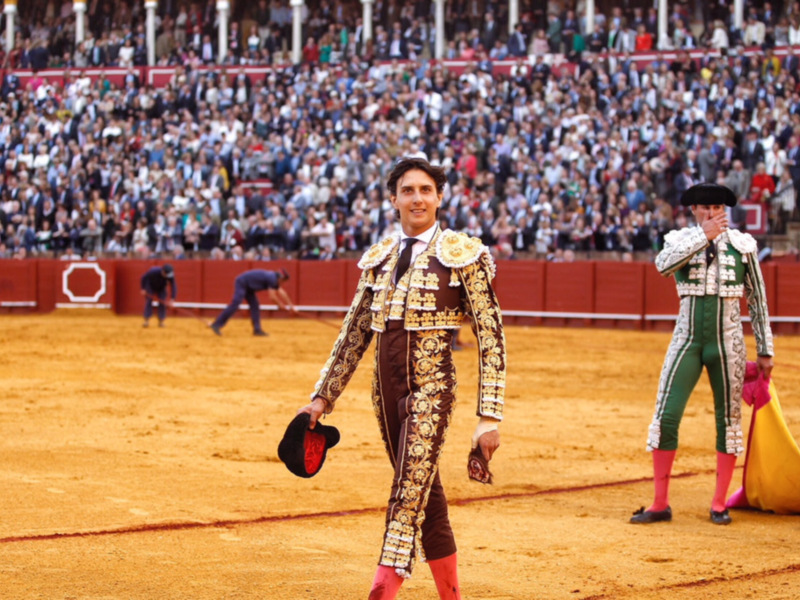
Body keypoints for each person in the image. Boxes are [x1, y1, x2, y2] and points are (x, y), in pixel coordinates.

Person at [297, 157, 507, 599]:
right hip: (385, 394)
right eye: (408, 190)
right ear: (393, 199)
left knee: (406, 491)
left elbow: (491, 337)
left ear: (439, 198)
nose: (417, 198)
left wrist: (489, 417)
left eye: (426, 190)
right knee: (425, 496)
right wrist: (321, 399)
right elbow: (353, 333)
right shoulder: (380, 259)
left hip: (432, 392)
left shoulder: (462, 255)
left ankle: (382, 591)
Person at [631, 183, 774, 526]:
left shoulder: (743, 247)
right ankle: (659, 503)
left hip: (728, 343)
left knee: (729, 422)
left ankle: (719, 503)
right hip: (687, 341)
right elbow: (663, 266)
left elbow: (757, 300)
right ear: (693, 210)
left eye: (716, 207)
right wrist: (703, 237)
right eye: (704, 207)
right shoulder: (678, 241)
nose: (711, 213)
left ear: (724, 209)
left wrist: (765, 350)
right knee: (666, 415)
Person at [209, 269, 294, 336]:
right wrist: (281, 305)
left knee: (255, 305)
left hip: (249, 286)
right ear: (281, 279)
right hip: (242, 283)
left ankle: (257, 330)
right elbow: (272, 297)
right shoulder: (272, 279)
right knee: (235, 303)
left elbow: (282, 292)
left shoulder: (274, 278)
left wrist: (291, 306)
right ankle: (217, 324)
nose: (283, 284)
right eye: (283, 281)